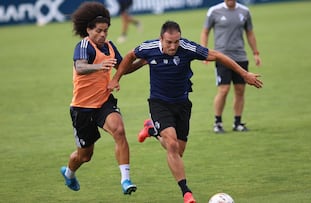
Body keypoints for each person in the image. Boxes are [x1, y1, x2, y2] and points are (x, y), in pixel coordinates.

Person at [107, 21, 263, 203]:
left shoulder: (187, 48)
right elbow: (129, 56)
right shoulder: (148, 47)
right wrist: (116, 78)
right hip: (159, 104)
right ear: (161, 39)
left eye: (176, 42)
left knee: (177, 151)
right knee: (172, 145)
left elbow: (218, 55)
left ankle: (151, 130)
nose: (173, 46)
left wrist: (244, 74)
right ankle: (186, 192)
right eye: (169, 42)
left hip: (182, 105)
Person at [60, 2, 144, 194]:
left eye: (105, 31)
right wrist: (100, 66)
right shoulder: (83, 46)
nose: (103, 35)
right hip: (82, 108)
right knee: (84, 156)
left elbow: (124, 67)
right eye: (98, 31)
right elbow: (80, 67)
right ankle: (70, 174)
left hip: (104, 102)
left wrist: (144, 61)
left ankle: (125, 180)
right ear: (88, 29)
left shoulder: (110, 47)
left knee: (119, 130)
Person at [200, 0, 262, 134]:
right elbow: (205, 32)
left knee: (240, 90)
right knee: (224, 89)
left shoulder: (245, 11)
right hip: (222, 57)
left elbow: (250, 33)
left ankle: (238, 122)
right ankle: (218, 122)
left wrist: (255, 53)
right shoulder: (214, 11)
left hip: (240, 57)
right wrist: (203, 52)